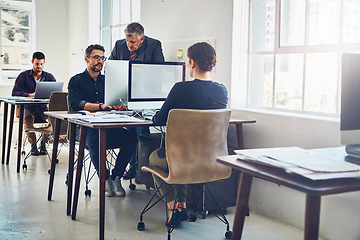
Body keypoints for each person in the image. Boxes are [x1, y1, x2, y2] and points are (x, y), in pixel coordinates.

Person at [149, 42, 228, 227]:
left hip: (182, 158)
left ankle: (173, 208)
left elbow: (160, 120)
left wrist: (154, 116)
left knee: (156, 158)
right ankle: (182, 206)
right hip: (211, 159)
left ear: (191, 62)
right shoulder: (222, 90)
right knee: (179, 159)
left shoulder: (181, 89)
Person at [68, 44, 137, 197]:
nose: (100, 61)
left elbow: (118, 100)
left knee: (131, 139)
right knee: (95, 139)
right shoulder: (76, 80)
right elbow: (75, 104)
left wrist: (121, 105)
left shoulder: (108, 80)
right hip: (85, 129)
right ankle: (105, 179)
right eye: (96, 57)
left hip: (108, 125)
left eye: (102, 58)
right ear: (87, 59)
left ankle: (116, 177)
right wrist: (101, 106)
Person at [109, 22, 165, 180]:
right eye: (127, 40)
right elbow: (110, 67)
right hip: (125, 94)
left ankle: (140, 171)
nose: (128, 45)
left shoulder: (154, 45)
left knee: (141, 131)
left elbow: (159, 69)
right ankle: (132, 168)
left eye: (132, 42)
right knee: (130, 131)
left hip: (145, 94)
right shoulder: (119, 45)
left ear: (142, 39)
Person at [12, 51, 57, 156]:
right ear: (32, 62)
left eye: (41, 64)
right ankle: (33, 145)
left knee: (54, 119)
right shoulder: (23, 76)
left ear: (44, 63)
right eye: (37, 64)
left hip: (43, 107)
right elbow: (15, 92)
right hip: (28, 107)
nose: (39, 66)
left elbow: (56, 92)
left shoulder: (49, 77)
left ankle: (44, 143)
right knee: (27, 118)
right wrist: (28, 95)